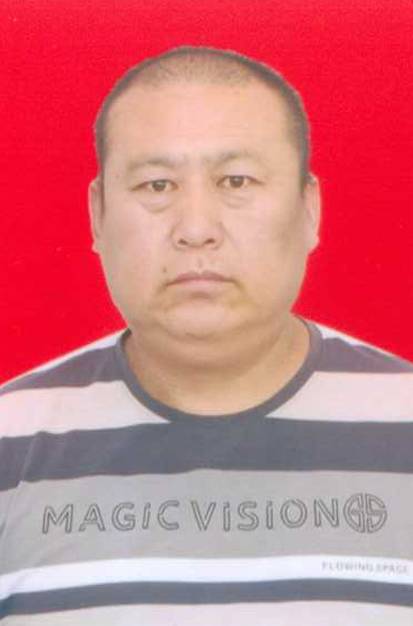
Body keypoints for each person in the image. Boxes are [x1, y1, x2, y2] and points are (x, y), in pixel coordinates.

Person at [1, 45, 412, 625]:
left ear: (309, 209)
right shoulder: (10, 441)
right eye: (157, 185)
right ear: (97, 215)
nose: (196, 228)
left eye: (236, 180)